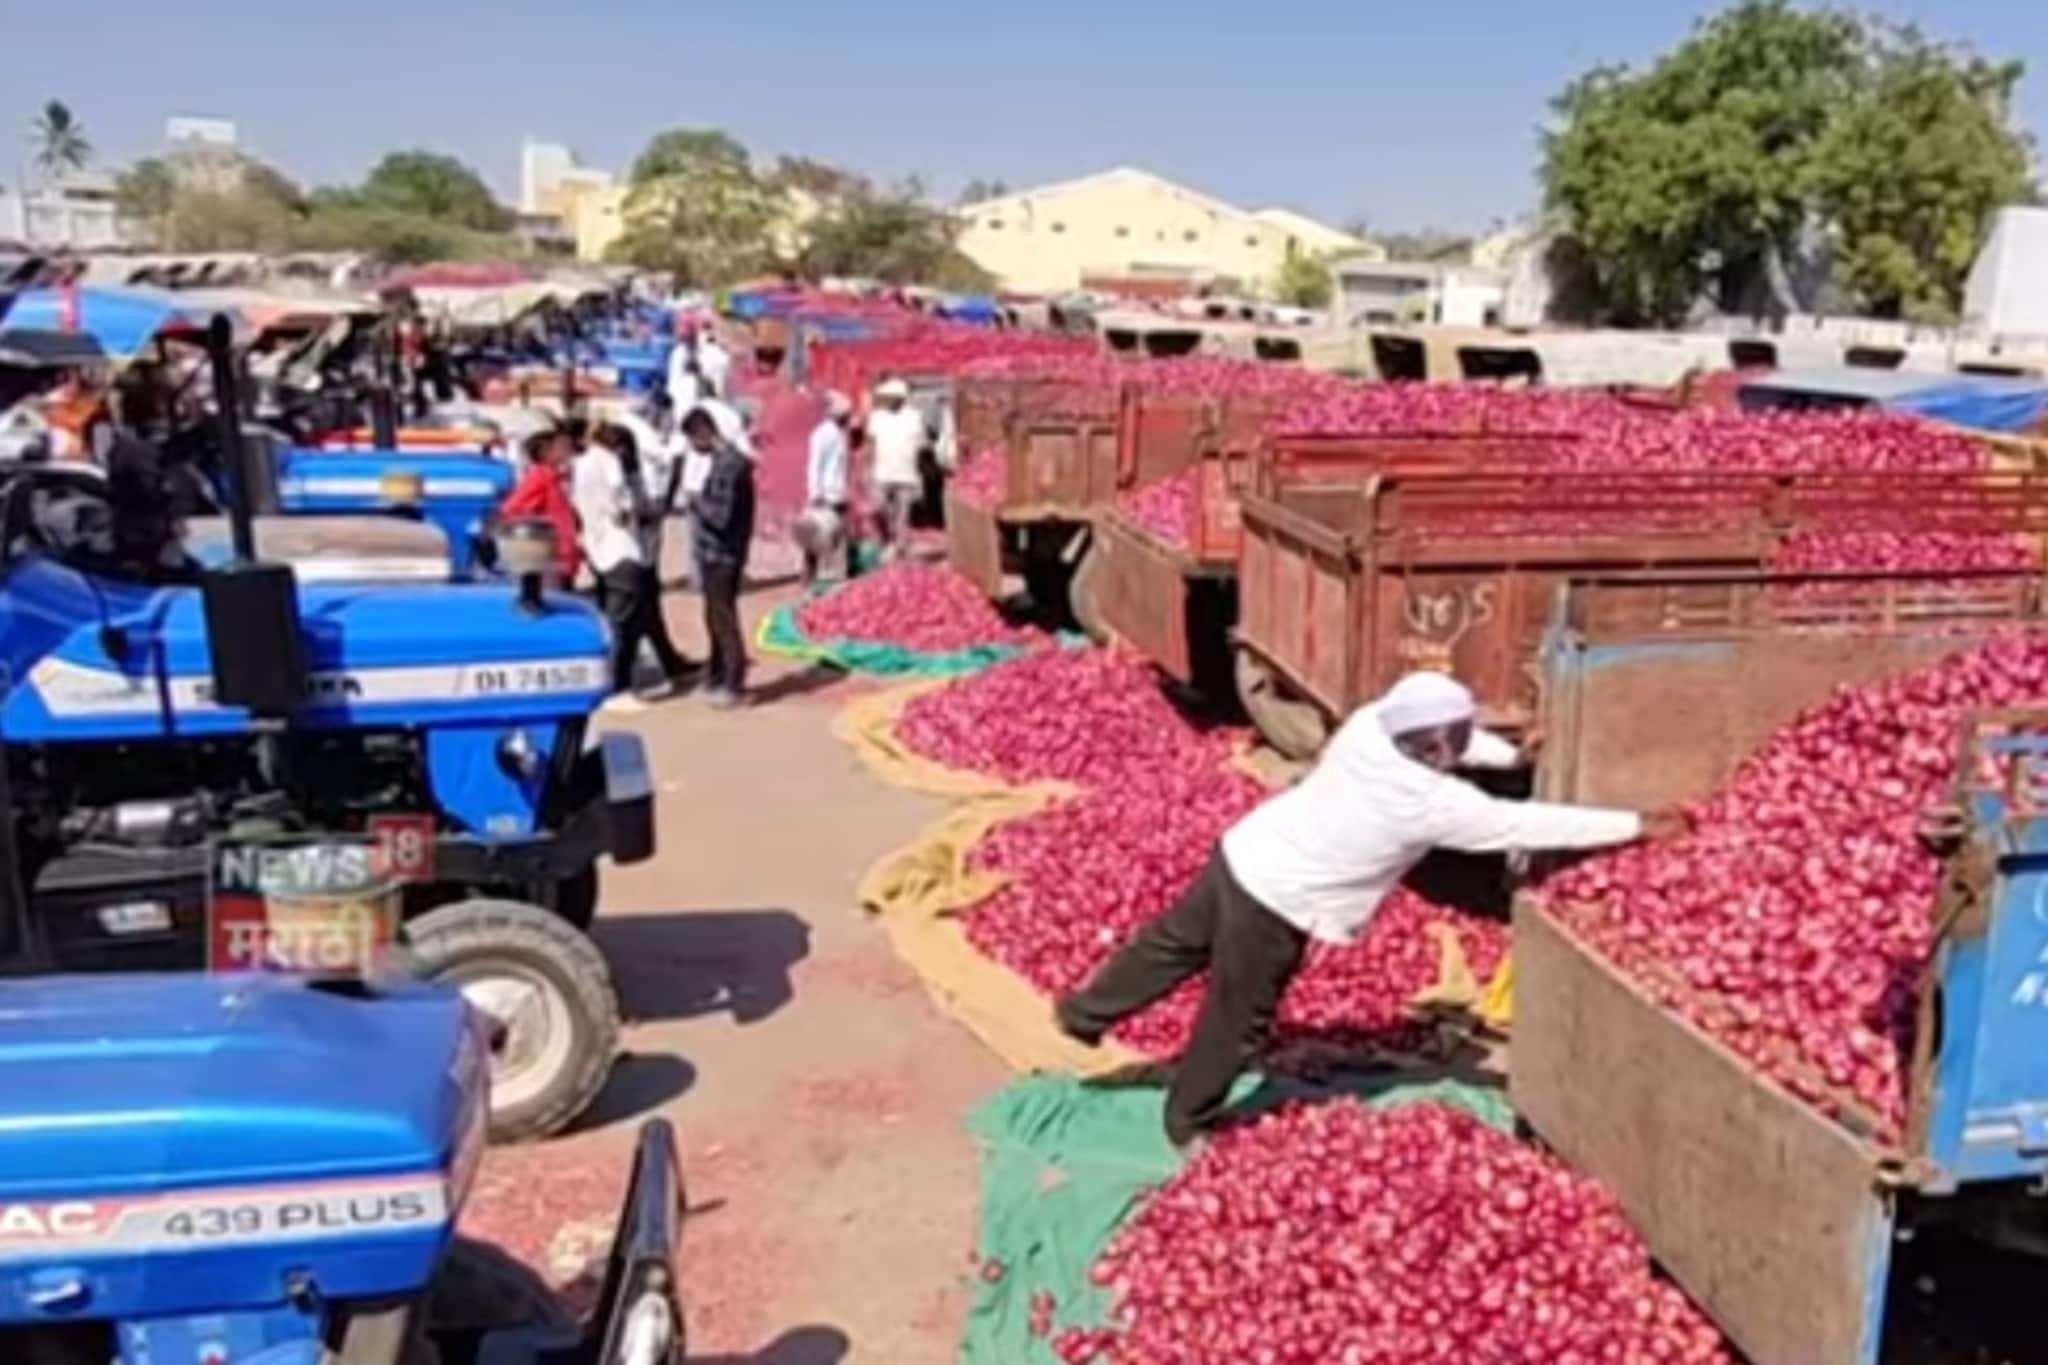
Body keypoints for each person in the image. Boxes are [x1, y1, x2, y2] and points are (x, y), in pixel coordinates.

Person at [1055, 671, 1681, 1148]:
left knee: (1171, 945)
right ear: (1435, 745)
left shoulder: (1367, 727)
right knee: (1238, 1016)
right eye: (1456, 739)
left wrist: (1512, 756)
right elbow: (1523, 821)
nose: (1463, 744)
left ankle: (1084, 1012)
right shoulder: (1429, 803)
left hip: (1244, 852)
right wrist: (1634, 825)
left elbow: (1451, 741)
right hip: (1278, 900)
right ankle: (1188, 1119)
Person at [573, 421, 694, 705]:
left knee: (626, 619)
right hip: (621, 550)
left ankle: (643, 671)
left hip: (598, 549)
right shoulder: (611, 463)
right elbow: (623, 505)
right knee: (623, 625)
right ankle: (617, 687)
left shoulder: (582, 464)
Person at [682, 401, 756, 708]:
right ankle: (716, 673)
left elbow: (721, 516)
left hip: (722, 554)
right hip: (719, 553)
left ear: (704, 433)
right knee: (713, 615)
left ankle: (732, 682)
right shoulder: (728, 462)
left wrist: (696, 502)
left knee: (723, 618)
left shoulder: (728, 465)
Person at [499, 427, 581, 584]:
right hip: (548, 560)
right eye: (560, 447)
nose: (566, 452)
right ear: (545, 453)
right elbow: (511, 509)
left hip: (563, 559)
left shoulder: (554, 478)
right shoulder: (539, 478)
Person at [800, 391, 856, 586]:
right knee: (822, 536)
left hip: (836, 492)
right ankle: (819, 577)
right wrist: (816, 492)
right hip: (825, 494)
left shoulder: (838, 434)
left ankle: (830, 576)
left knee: (831, 535)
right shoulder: (823, 434)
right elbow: (815, 464)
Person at [866, 378, 925, 561]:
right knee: (879, 507)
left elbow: (921, 443)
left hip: (906, 472)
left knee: (902, 515)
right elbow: (871, 443)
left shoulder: (914, 416)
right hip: (882, 471)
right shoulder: (877, 416)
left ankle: (898, 547)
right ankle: (889, 540)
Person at [695, 330, 733, 402]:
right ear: (715, 342)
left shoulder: (702, 354)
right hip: (718, 384)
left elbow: (699, 367)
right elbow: (727, 366)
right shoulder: (721, 354)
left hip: (705, 384)